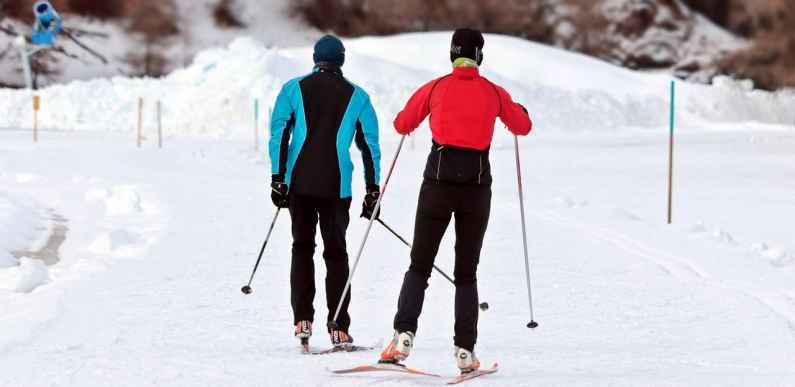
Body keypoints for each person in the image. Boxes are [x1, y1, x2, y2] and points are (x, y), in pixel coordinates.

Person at [379, 28, 532, 373]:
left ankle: (403, 335)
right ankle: (465, 351)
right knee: (466, 273)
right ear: (479, 56)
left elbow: (402, 124)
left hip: (437, 187)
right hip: (476, 191)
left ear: (452, 55)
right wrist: (518, 109)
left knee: (420, 263)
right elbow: (522, 126)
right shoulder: (493, 92)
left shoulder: (436, 87)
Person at [269, 34, 382, 349]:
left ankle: (302, 320)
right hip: (337, 187)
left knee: (301, 248)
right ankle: (339, 327)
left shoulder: (293, 89)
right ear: (341, 60)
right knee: (336, 254)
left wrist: (278, 178)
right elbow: (369, 147)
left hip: (300, 185)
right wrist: (373, 190)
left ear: (316, 59)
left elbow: (279, 133)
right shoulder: (357, 96)